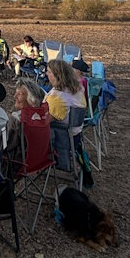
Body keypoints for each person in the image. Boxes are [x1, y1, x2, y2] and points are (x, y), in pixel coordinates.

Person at [45, 59, 94, 188]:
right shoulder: (78, 89)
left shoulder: (57, 97)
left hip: (60, 141)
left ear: (57, 76)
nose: (46, 74)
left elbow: (44, 122)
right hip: (76, 138)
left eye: (49, 72)